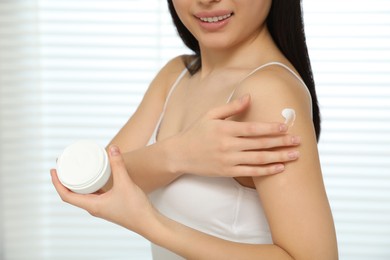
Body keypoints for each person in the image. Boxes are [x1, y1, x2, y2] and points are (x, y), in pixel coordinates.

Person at [51, 0, 338, 259]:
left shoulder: (268, 92)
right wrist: (181, 153)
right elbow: (97, 183)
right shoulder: (176, 76)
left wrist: (153, 225)